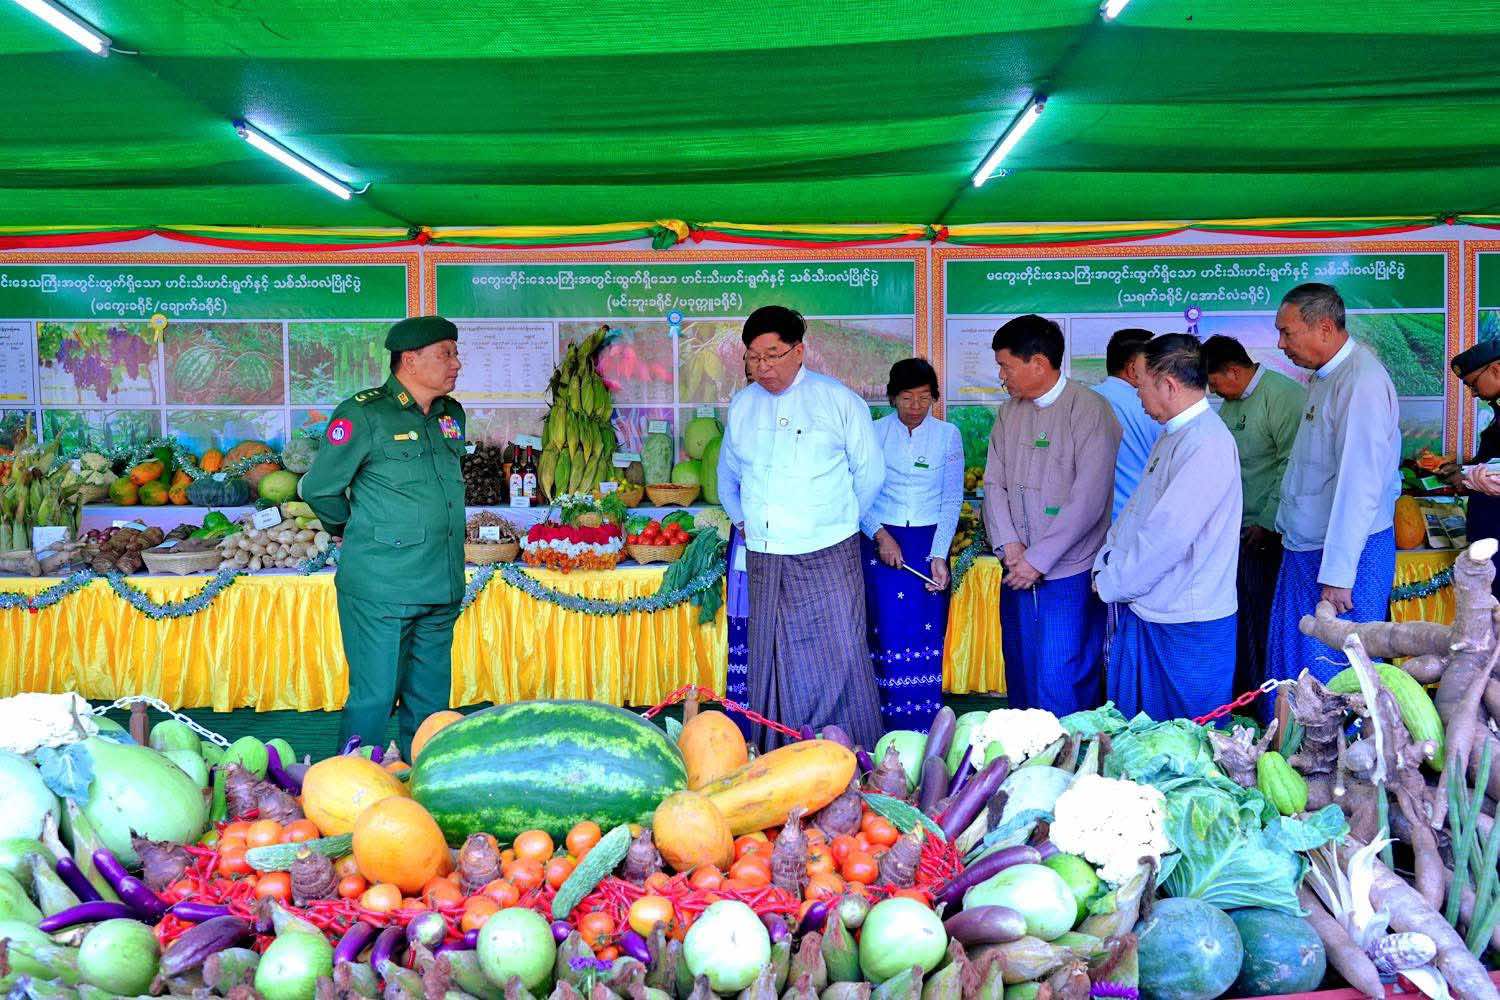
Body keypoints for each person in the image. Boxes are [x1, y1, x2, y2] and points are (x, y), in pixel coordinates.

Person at [716, 305, 886, 751]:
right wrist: (743, 521)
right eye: (754, 357)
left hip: (828, 552)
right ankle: (777, 754)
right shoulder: (743, 405)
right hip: (765, 553)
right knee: (771, 658)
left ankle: (847, 755)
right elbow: (727, 475)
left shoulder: (838, 401)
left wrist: (836, 523)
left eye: (772, 355)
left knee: (837, 657)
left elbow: (870, 475)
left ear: (799, 351)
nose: (762, 367)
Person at [299, 316, 467, 760]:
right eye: (445, 354)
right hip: (383, 586)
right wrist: (349, 530)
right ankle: (353, 787)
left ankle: (425, 780)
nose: (456, 363)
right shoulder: (364, 414)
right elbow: (319, 489)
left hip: (441, 582)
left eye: (455, 353)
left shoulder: (451, 415)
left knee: (431, 704)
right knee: (373, 700)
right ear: (410, 360)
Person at [1094, 334, 1241, 721]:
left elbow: (1166, 538)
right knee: (1143, 735)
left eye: (1141, 384)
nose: (1138, 395)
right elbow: (1137, 512)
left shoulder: (1207, 442)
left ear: (1169, 385)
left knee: (1190, 741)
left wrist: (1111, 582)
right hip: (1153, 607)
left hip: (1187, 621)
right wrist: (1108, 559)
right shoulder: (1174, 433)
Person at [982, 314, 1121, 714]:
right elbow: (994, 483)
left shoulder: (1090, 410)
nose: (1001, 376)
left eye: (1006, 366)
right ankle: (1027, 750)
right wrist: (1010, 546)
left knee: (1062, 674)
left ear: (1039, 364)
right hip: (1016, 567)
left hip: (1069, 570)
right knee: (1023, 668)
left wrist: (1037, 560)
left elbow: (1088, 500)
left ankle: (1069, 751)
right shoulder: (1009, 412)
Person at [1267, 283, 1401, 687]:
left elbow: (1359, 486)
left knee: (1332, 671)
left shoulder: (1361, 382)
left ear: (1324, 328)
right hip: (1312, 549)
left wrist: (1340, 574)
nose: (1280, 344)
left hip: (1344, 558)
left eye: (1287, 332)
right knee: (1299, 663)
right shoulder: (1327, 376)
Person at [861, 358, 964, 732]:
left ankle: (922, 728)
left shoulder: (947, 435)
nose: (916, 406)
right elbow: (857, 494)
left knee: (924, 631)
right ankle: (880, 728)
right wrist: (880, 534)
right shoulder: (873, 433)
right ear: (892, 398)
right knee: (884, 631)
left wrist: (938, 554)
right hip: (880, 544)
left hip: (927, 542)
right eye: (907, 397)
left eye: (924, 397)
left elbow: (951, 499)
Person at [1202, 334, 1307, 695]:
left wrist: (1267, 521)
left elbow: (1291, 465)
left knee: (1264, 618)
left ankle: (1270, 696)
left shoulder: (1283, 397)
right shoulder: (1231, 403)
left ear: (1233, 371)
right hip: (1237, 529)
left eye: (1214, 383)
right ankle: (1245, 694)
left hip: (1267, 533)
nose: (1213, 392)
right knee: (1240, 617)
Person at [1091, 329, 1163, 519]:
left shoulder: (1084, 400)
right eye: (1154, 365)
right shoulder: (1156, 405)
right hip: (1141, 517)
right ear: (1133, 370)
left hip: (1095, 520)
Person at [1449, 340, 1500, 597]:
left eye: (1473, 384)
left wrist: (1469, 477)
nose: (1473, 394)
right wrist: (1463, 469)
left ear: (1496, 370)